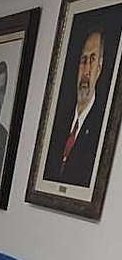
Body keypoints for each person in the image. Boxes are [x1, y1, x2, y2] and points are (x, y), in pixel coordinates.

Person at [44, 29, 107, 187]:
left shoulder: (101, 126)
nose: (86, 70)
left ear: (99, 69)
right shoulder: (58, 120)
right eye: (83, 60)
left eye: (92, 60)